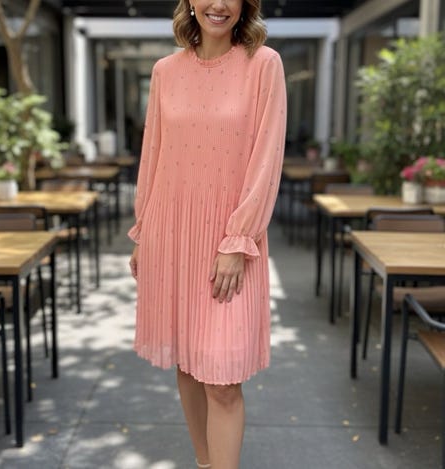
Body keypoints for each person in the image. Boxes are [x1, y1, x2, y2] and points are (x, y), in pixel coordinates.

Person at [128, 0, 287, 466]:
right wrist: (143, 231)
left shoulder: (264, 65)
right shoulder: (165, 71)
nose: (219, 4)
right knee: (188, 362)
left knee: (222, 382)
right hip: (171, 234)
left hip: (230, 238)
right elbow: (153, 155)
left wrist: (238, 239)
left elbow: (266, 159)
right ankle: (204, 462)